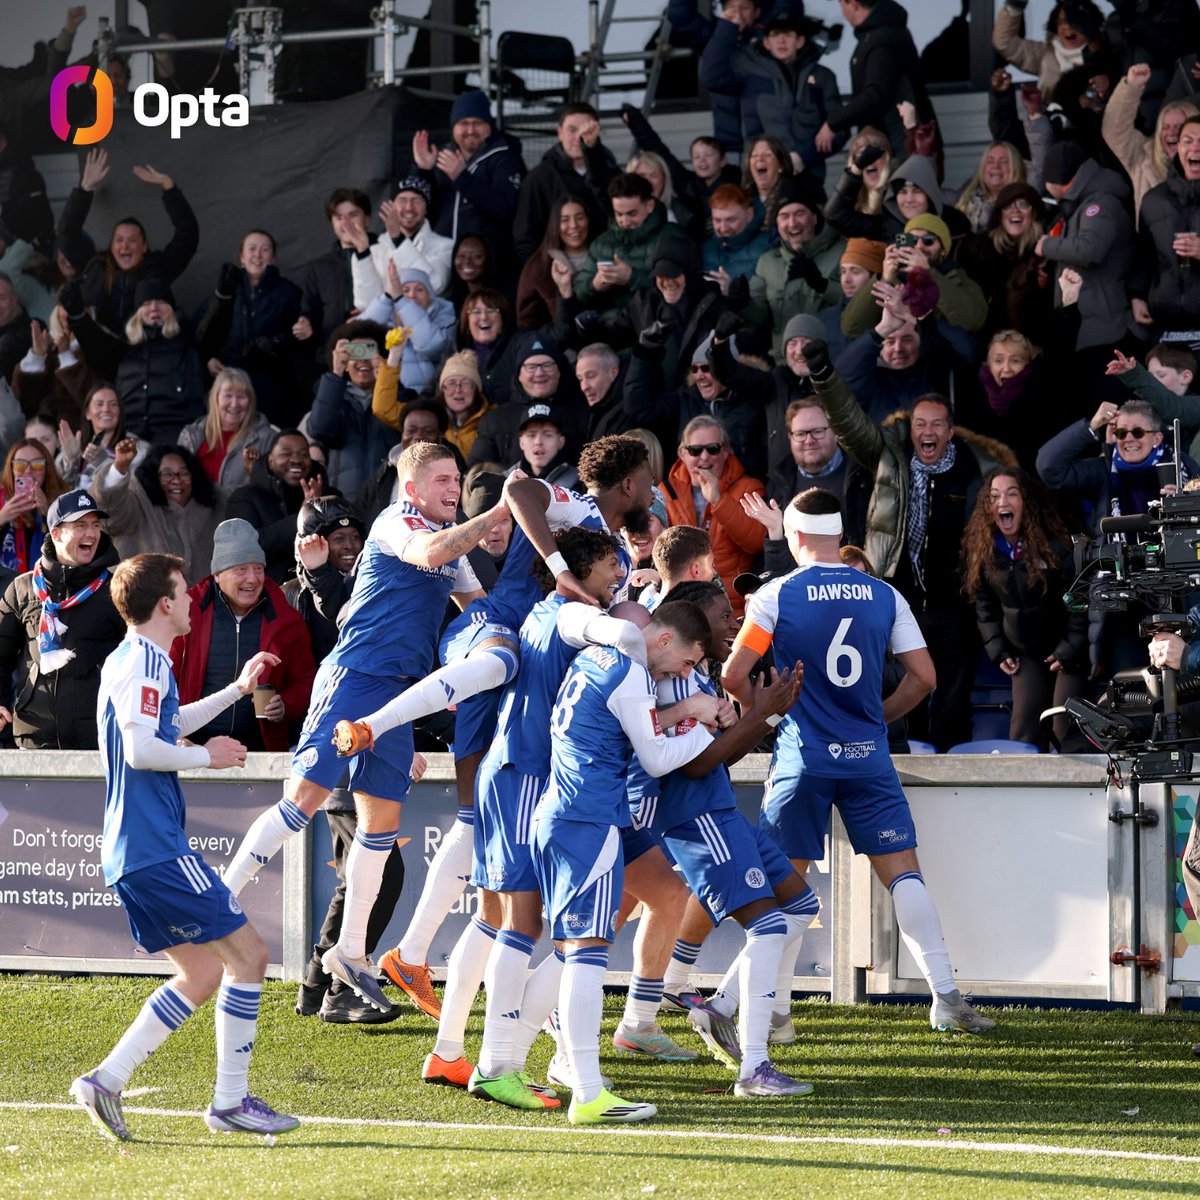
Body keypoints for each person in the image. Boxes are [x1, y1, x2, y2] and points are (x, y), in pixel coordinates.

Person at [337, 439, 653, 1015]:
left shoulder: (613, 546)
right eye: (652, 478)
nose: (657, 490)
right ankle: (373, 725)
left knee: (476, 824)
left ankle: (411, 960)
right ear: (630, 484)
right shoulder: (577, 509)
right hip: (497, 633)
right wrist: (561, 570)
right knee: (494, 673)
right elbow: (518, 488)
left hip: (526, 671)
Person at [219, 443, 508, 1014]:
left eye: (457, 479)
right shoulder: (400, 522)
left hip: (397, 695)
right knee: (303, 801)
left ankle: (349, 954)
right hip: (352, 679)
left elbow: (478, 607)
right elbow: (428, 553)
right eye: (445, 479)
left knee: (383, 821)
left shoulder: (455, 540)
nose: (455, 488)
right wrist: (498, 514)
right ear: (414, 488)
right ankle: (218, 902)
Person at [723, 487, 996, 1033]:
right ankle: (945, 996)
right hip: (868, 754)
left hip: (803, 754)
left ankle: (759, 1008)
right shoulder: (884, 594)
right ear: (841, 537)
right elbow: (925, 678)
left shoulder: (775, 595)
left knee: (787, 890)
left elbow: (733, 676)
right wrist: (876, 716)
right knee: (904, 876)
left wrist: (772, 717)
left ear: (795, 538)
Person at [69, 551, 298, 1142]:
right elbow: (147, 749)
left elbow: (164, 726)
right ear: (165, 603)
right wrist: (209, 756)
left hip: (136, 850)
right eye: (182, 591)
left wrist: (235, 691)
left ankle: (106, 1079)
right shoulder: (144, 663)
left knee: (201, 973)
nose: (194, 601)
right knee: (249, 958)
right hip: (155, 849)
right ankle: (229, 1102)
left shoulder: (138, 660)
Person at [533, 601, 716, 1124]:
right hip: (587, 818)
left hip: (568, 813)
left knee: (573, 950)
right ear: (660, 640)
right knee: (587, 952)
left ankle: (524, 1061)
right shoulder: (629, 670)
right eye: (686, 662)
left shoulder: (593, 658)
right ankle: (587, 1092)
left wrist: (685, 713)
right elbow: (656, 758)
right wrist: (707, 730)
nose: (684, 674)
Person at [805, 338, 1016, 751]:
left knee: (952, 704)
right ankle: (906, 768)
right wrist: (823, 375)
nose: (927, 432)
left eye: (936, 425)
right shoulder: (889, 456)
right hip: (894, 598)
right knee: (904, 698)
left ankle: (951, 784)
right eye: (920, 424)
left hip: (956, 606)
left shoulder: (977, 474)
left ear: (950, 432)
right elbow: (847, 421)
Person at [961, 467, 1089, 748]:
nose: (1002, 502)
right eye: (994, 497)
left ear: (1026, 502)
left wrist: (1070, 647)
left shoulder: (1054, 545)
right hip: (1025, 653)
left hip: (1067, 650)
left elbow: (1080, 601)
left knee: (1063, 725)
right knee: (1023, 731)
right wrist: (998, 650)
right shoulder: (985, 549)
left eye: (1011, 494)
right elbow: (984, 608)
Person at [169, 519, 316, 754]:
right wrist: (176, 735)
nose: (252, 579)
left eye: (258, 568)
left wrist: (286, 704)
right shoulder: (187, 613)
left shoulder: (286, 619)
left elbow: (306, 679)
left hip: (261, 751)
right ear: (217, 574)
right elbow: (165, 680)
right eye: (241, 569)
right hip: (194, 749)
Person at [0, 489, 123, 749]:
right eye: (80, 525)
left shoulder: (116, 591)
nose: (91, 533)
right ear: (56, 533)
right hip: (33, 738)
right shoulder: (22, 588)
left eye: (95, 525)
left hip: (98, 739)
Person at [55, 148, 199, 336]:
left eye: (133, 240)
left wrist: (168, 187)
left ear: (144, 246)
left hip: (144, 354)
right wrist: (85, 188)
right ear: (111, 246)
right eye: (119, 240)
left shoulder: (158, 269)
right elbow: (67, 234)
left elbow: (187, 236)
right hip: (101, 355)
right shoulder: (95, 267)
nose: (125, 246)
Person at [699, 9, 844, 178]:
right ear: (766, 42)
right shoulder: (748, 72)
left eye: (788, 35)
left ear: (800, 41)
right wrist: (726, 28)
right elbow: (711, 78)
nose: (781, 40)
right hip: (762, 177)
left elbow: (839, 128)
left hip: (808, 176)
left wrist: (803, 156)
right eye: (775, 35)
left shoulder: (823, 76)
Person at [63, 277, 207, 444]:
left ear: (172, 309)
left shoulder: (189, 342)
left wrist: (223, 298)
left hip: (176, 439)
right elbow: (97, 345)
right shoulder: (124, 347)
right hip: (129, 438)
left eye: (161, 301)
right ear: (138, 311)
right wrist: (78, 317)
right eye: (146, 303)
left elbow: (212, 329)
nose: (154, 307)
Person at [193, 230, 303, 426]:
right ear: (242, 257)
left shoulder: (289, 293)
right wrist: (208, 358)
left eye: (265, 249)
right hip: (229, 388)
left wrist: (275, 342)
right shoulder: (226, 289)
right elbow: (201, 333)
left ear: (274, 257)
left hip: (272, 388)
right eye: (252, 249)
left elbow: (303, 339)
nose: (257, 255)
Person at [411, 90, 527, 274]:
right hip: (443, 263)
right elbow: (421, 212)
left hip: (488, 266)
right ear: (453, 127)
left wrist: (462, 177)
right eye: (464, 123)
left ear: (489, 126)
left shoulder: (506, 158)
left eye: (478, 123)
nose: (470, 130)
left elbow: (506, 210)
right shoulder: (441, 157)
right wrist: (424, 170)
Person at [661, 415, 765, 615]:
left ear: (725, 452)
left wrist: (719, 500)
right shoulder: (665, 491)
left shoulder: (748, 488)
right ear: (682, 454)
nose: (704, 457)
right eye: (695, 450)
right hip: (682, 606)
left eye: (713, 449)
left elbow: (756, 542)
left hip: (731, 608)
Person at [91, 442, 223, 585]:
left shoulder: (213, 504)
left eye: (184, 473)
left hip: (200, 603)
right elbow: (110, 514)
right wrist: (120, 468)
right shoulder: (137, 498)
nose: (177, 480)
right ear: (153, 477)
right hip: (139, 600)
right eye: (167, 474)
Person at [815, 0, 933, 158]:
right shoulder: (878, 35)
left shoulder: (882, 40)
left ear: (854, 5)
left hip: (899, 148)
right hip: (894, 145)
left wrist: (833, 123)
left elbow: (875, 95)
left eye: (841, 4)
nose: (841, 12)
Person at [743, 177, 844, 358]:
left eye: (799, 213)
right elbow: (758, 316)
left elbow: (857, 304)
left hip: (831, 360)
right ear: (777, 225)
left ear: (814, 218)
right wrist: (743, 301)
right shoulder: (767, 262)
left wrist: (822, 285)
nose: (792, 223)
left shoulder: (841, 253)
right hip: (784, 362)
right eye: (784, 216)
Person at [303, 322, 396, 505]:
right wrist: (336, 373)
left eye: (369, 351)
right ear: (345, 363)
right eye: (354, 352)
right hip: (343, 499)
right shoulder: (332, 395)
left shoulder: (399, 397)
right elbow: (319, 429)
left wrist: (385, 381)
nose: (362, 360)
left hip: (389, 499)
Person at [513, 103, 617, 265]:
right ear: (559, 132)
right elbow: (525, 239)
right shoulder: (539, 178)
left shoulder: (612, 173)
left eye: (587, 130)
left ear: (597, 132)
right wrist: (544, 278)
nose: (579, 137)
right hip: (556, 276)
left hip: (606, 270)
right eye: (572, 130)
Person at [1102, 65, 1198, 224]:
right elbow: (1114, 131)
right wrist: (1131, 87)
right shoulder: (1143, 157)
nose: (1172, 133)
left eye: (1179, 127)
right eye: (1165, 127)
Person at [227, 429, 325, 583]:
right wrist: (304, 517)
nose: (296, 460)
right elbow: (247, 547)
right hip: (263, 595)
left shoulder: (326, 495)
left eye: (304, 454)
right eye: (286, 454)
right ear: (270, 461)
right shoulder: (245, 497)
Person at [1137, 116, 1200, 347]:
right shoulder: (1154, 200)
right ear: (1178, 148)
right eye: (1188, 140)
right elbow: (1144, 257)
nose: (1195, 147)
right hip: (1165, 327)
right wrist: (1137, 296)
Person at [573, 174, 668, 320]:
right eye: (619, 214)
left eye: (632, 213)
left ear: (649, 206)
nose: (625, 221)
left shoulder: (671, 238)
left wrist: (632, 277)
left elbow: (681, 289)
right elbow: (579, 293)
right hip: (608, 330)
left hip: (655, 328)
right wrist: (595, 285)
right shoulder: (602, 243)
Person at [349, 175, 454, 301]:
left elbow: (434, 285)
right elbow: (366, 302)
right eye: (402, 200)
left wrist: (398, 239)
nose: (409, 207)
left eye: (417, 200)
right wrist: (363, 254)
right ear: (392, 206)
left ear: (426, 208)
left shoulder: (446, 246)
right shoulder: (375, 250)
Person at [297, 188, 375, 349]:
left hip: (378, 351)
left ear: (367, 219)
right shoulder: (318, 267)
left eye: (353, 215)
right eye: (339, 218)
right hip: (332, 353)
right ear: (332, 224)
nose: (346, 223)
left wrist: (372, 315)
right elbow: (309, 311)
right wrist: (306, 324)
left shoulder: (385, 255)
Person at [177, 368, 276, 496]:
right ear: (215, 398)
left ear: (250, 401)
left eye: (241, 397)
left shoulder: (267, 439)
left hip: (238, 512)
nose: (234, 404)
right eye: (228, 396)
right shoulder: (191, 434)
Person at [992, 0, 1111, 105]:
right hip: (1053, 124)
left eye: (1075, 22)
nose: (1067, 27)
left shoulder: (1106, 52)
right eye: (1061, 22)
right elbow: (1005, 44)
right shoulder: (1047, 53)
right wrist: (1015, 5)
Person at [360, 266, 457, 395]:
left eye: (420, 290)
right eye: (405, 290)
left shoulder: (444, 319)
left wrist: (401, 300)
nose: (412, 295)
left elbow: (430, 346)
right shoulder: (383, 319)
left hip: (429, 401)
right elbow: (359, 338)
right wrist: (387, 296)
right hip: (386, 400)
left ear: (430, 297)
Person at [516, 199, 594, 332]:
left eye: (579, 217)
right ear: (555, 225)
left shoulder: (605, 255)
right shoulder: (539, 266)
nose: (574, 225)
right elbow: (527, 322)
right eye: (565, 220)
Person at [0, 436, 67, 573]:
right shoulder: (1, 498)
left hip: (46, 586)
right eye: (20, 465)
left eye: (37, 464)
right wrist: (2, 519)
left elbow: (69, 551)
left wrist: (48, 515)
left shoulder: (62, 499)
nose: (28, 471)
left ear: (46, 469)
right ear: (11, 468)